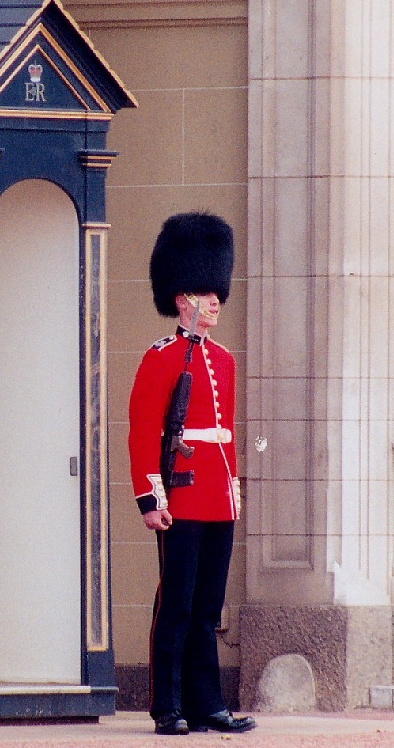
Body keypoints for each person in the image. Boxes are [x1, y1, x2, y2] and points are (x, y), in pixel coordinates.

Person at [127, 212, 256, 736]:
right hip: (179, 496)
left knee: (207, 607)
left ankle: (208, 705)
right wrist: (149, 497)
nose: (216, 301)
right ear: (183, 299)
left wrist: (235, 487)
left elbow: (226, 432)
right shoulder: (160, 358)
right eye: (206, 293)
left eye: (217, 291)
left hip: (217, 498)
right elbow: (142, 434)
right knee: (176, 604)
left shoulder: (224, 359)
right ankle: (168, 706)